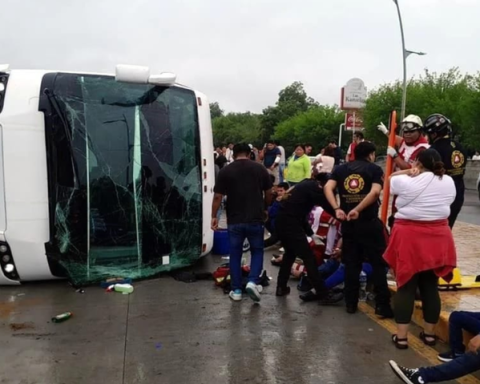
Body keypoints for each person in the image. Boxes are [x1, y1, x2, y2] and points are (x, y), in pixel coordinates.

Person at [383, 148, 457, 349]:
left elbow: (390, 178)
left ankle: (401, 337)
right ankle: (430, 335)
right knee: (430, 286)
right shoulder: (449, 182)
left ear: (418, 164)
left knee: (406, 285)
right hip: (439, 236)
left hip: (410, 236)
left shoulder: (407, 181)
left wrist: (408, 171)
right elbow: (448, 201)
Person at [324, 141, 393, 317]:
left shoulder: (340, 170)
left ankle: (350, 303)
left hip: (348, 223)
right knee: (378, 265)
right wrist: (359, 209)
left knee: (351, 264)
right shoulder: (374, 170)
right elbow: (375, 193)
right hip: (368, 222)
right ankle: (382, 305)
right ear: (370, 154)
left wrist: (338, 208)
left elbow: (328, 187)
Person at [211, 143, 273, 302]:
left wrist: (214, 217)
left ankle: (236, 290)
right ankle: (252, 281)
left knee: (235, 254)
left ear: (234, 154)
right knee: (257, 251)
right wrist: (266, 208)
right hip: (255, 218)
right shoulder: (260, 169)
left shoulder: (226, 170)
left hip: (234, 220)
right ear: (250, 153)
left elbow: (218, 196)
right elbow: (269, 193)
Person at [275, 176, 343, 304]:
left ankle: (281, 287)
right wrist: (341, 215)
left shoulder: (305, 184)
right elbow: (328, 206)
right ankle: (323, 294)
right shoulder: (315, 189)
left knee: (289, 255)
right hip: (291, 225)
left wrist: (311, 234)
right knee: (309, 258)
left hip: (282, 223)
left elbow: (300, 214)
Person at [423, 114, 467, 228]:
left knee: (435, 231)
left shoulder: (434, 150)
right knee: (447, 229)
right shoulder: (460, 146)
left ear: (434, 133)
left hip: (440, 195)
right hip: (458, 193)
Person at [264, 182, 289, 248]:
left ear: (286, 191)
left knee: (271, 241)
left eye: (281, 191)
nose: (279, 193)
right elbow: (271, 213)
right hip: (276, 224)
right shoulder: (276, 199)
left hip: (284, 227)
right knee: (266, 221)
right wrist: (276, 202)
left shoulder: (289, 201)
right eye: (278, 191)